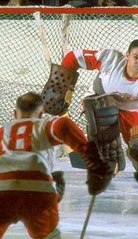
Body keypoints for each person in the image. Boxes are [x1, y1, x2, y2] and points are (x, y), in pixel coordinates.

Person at [0, 92, 113, 238]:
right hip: (38, 190)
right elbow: (62, 125)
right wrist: (94, 163)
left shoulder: (3, 131)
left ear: (15, 113)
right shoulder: (43, 125)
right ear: (41, 114)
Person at [57, 39, 138, 176]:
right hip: (99, 100)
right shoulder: (110, 60)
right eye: (136, 57)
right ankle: (106, 158)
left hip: (130, 111)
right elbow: (73, 57)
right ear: (127, 55)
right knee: (104, 108)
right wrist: (61, 83)